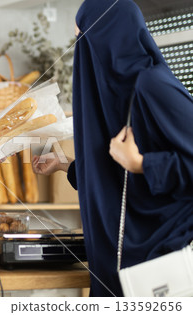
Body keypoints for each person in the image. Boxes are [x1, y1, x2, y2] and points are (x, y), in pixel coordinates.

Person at [32, 0, 193, 296]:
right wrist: (65, 163)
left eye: (84, 37)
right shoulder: (110, 97)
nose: (81, 50)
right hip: (116, 262)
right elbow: (112, 179)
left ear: (108, 35)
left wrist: (141, 164)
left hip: (158, 256)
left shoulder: (152, 85)